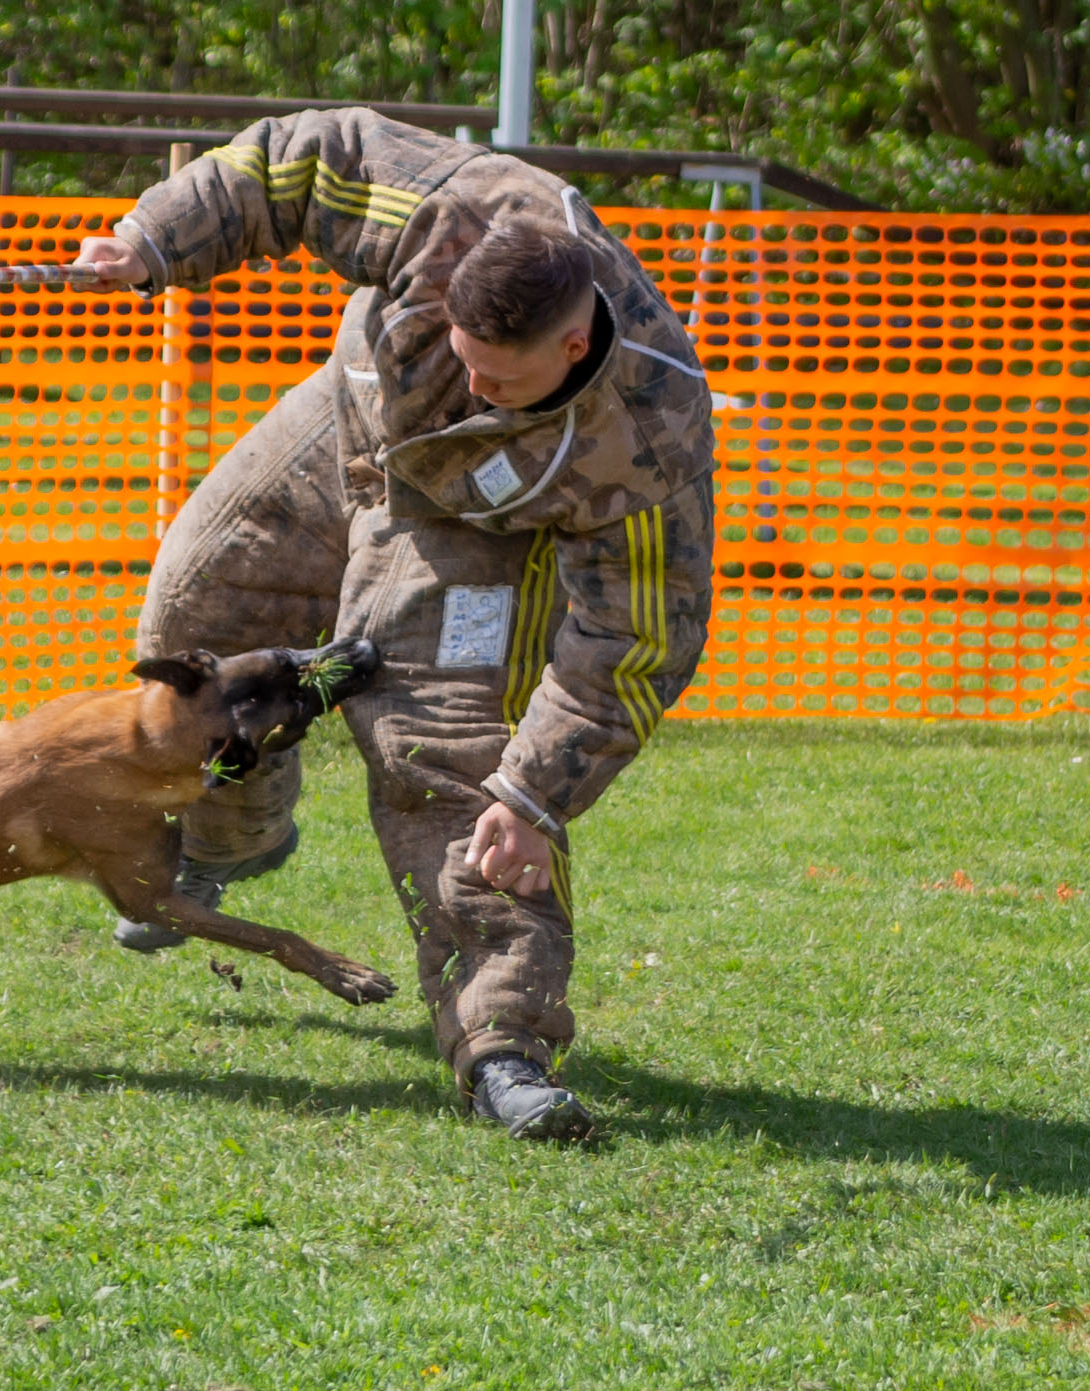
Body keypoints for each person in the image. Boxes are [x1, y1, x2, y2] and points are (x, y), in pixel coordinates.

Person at [75, 109, 715, 1141]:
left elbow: (634, 645)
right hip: (352, 424)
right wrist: (153, 237)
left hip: (472, 528)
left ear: (571, 344)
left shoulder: (644, 436)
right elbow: (299, 160)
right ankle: (228, 840)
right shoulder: (442, 208)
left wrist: (534, 791)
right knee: (191, 608)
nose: (469, 385)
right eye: (458, 355)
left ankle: (501, 1043)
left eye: (497, 380)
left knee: (439, 761)